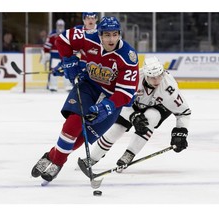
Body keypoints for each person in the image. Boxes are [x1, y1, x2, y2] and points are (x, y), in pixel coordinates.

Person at [31, 16, 139, 183]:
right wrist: (68, 60)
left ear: (120, 34)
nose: (111, 39)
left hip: (112, 99)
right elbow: (63, 40)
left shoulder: (128, 56)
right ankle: (58, 163)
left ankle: (51, 155)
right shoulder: (88, 36)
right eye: (107, 35)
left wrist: (108, 107)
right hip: (88, 87)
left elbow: (126, 93)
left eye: (115, 34)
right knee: (74, 123)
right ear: (99, 34)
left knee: (83, 138)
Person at [79, 56, 191, 172]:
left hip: (158, 107)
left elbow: (184, 112)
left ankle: (129, 154)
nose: (157, 81)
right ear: (146, 75)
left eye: (159, 76)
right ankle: (92, 158)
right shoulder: (133, 79)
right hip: (132, 105)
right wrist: (133, 116)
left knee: (150, 118)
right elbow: (118, 101)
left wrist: (180, 132)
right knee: (116, 130)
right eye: (153, 78)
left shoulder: (169, 88)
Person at [40, 19, 72, 92]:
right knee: (53, 71)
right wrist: (46, 53)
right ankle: (53, 86)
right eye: (59, 25)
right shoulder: (52, 34)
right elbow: (47, 45)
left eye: (61, 25)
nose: (60, 27)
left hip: (65, 56)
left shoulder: (67, 33)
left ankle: (68, 86)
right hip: (55, 56)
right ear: (56, 25)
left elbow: (71, 45)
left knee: (67, 70)